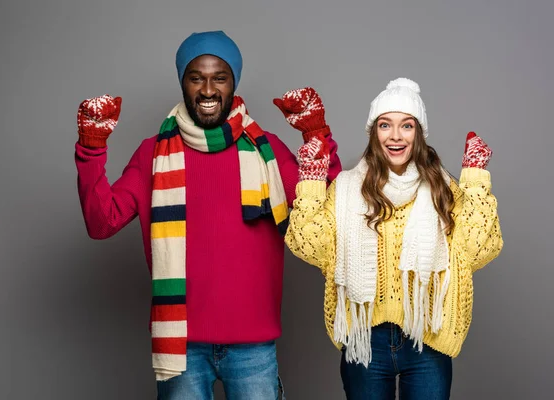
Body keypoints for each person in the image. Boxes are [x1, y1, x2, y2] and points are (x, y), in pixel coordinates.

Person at [74, 30, 341, 399]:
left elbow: (330, 207)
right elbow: (102, 223)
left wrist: (317, 135)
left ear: (233, 84)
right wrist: (91, 149)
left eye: (220, 77)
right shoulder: (152, 153)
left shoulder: (267, 151)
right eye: (196, 77)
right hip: (181, 347)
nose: (208, 89)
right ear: (183, 82)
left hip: (254, 347)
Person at [285, 77, 503, 399]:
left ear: (419, 133)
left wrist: (475, 180)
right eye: (385, 125)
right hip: (366, 340)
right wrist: (312, 182)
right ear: (374, 132)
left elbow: (479, 248)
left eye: (407, 126)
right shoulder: (346, 188)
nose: (396, 136)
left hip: (427, 336)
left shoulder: (442, 188)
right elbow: (308, 245)